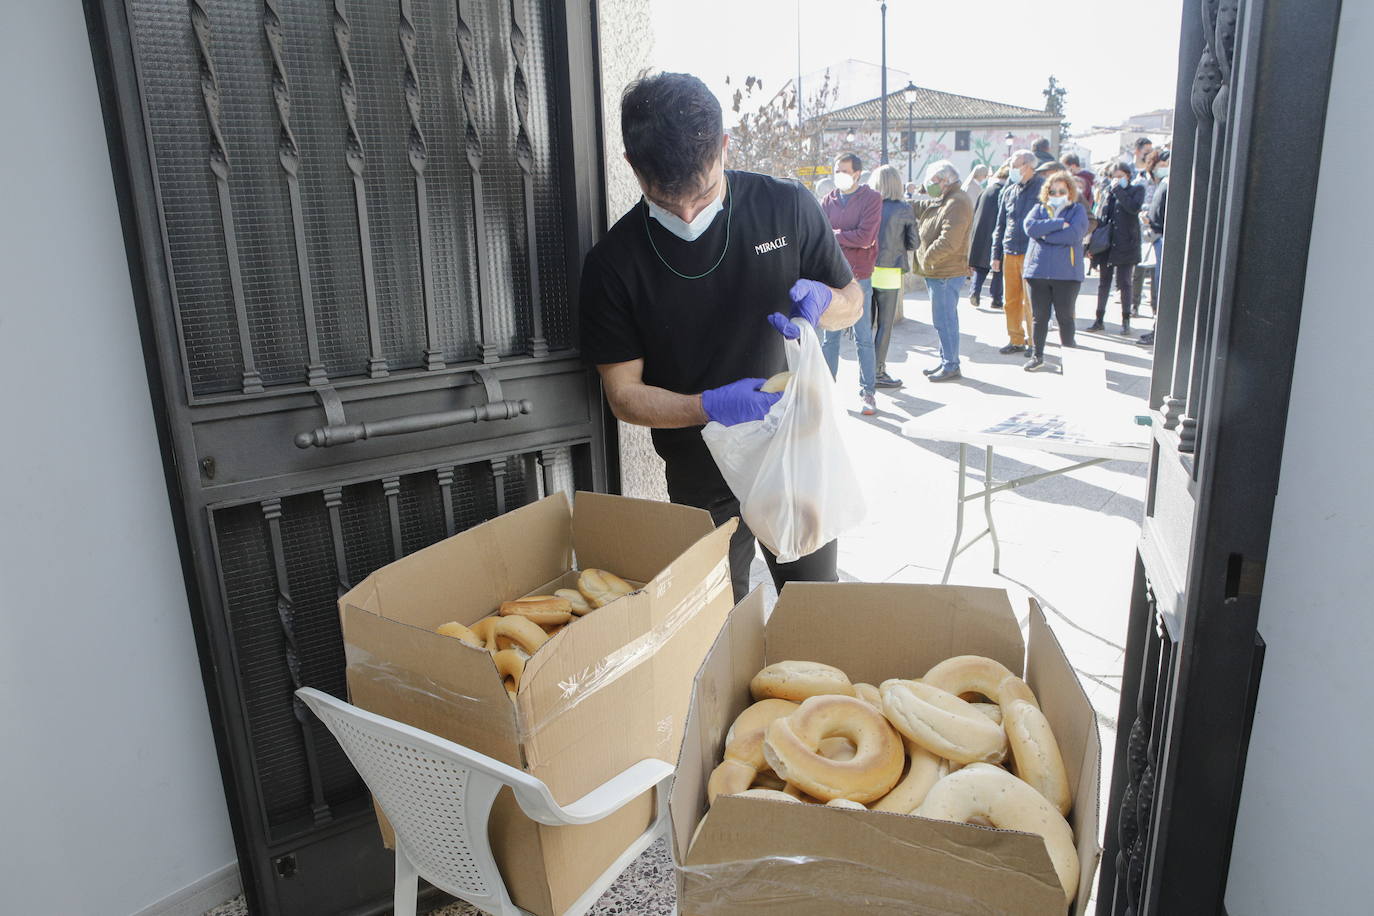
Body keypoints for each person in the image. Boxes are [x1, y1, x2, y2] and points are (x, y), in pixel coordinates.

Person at [578, 72, 863, 602]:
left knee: (817, 608)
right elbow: (624, 395)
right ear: (633, 167)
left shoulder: (787, 207)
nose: (687, 213)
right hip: (697, 471)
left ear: (725, 147)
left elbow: (852, 301)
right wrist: (707, 405)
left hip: (794, 452)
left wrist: (828, 306)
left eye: (703, 192)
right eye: (666, 197)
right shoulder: (613, 265)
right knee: (714, 625)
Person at [820, 152, 883, 415]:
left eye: (844, 170)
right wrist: (844, 236)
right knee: (829, 338)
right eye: (837, 170)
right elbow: (819, 235)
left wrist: (835, 235)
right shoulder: (828, 200)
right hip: (831, 277)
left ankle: (868, 393)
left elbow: (866, 237)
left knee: (863, 338)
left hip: (860, 276)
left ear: (857, 173)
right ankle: (826, 393)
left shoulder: (872, 199)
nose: (840, 174)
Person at [911, 160, 973, 382]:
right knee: (943, 319)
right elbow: (924, 209)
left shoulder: (957, 202)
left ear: (945, 180)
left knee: (945, 319)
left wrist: (927, 259)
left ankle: (951, 364)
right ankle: (946, 360)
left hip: (945, 271)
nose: (930, 185)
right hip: (940, 271)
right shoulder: (947, 199)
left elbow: (950, 240)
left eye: (934, 181)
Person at [1022, 170, 1089, 371]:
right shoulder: (1039, 209)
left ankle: (1068, 359)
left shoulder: (1077, 210)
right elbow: (1030, 227)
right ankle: (1037, 355)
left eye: (1061, 190)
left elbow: (1073, 234)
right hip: (1038, 273)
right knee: (1039, 317)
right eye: (1053, 190)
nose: (1057, 194)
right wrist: (1058, 224)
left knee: (1065, 317)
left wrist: (1045, 237)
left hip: (1067, 275)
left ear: (1069, 191)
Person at [990, 150, 1044, 355]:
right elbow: (1000, 224)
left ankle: (1034, 342)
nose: (1012, 169)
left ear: (1029, 166)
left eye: (1016, 164)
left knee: (1031, 302)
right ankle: (1016, 338)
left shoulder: (1042, 189)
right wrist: (996, 254)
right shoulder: (1009, 191)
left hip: (1032, 251)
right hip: (1010, 250)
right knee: (1010, 300)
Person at [868, 164, 916, 389]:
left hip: (866, 270)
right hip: (890, 271)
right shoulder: (903, 208)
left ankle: (865, 371)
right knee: (884, 326)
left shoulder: (867, 206)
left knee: (865, 325)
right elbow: (913, 242)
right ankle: (878, 371)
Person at [1088, 161, 1144, 334]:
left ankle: (1126, 320)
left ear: (1128, 176)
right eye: (1115, 177)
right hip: (1107, 245)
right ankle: (1099, 319)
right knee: (1104, 282)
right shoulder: (1107, 193)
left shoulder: (1136, 190)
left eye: (1121, 176)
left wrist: (1118, 190)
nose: (1117, 180)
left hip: (1126, 243)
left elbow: (1133, 208)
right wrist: (1091, 246)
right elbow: (1100, 217)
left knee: (1125, 282)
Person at [1137, 151, 1170, 348]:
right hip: (1157, 237)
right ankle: (1157, 329)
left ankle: (1160, 332)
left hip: (1163, 238)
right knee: (1156, 287)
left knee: (1161, 287)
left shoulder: (1173, 182)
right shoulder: (1164, 181)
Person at [967, 166, 1008, 309]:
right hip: (997, 234)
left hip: (980, 233)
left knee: (980, 267)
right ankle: (996, 298)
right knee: (998, 268)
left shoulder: (985, 192)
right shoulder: (1005, 192)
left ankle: (975, 291)